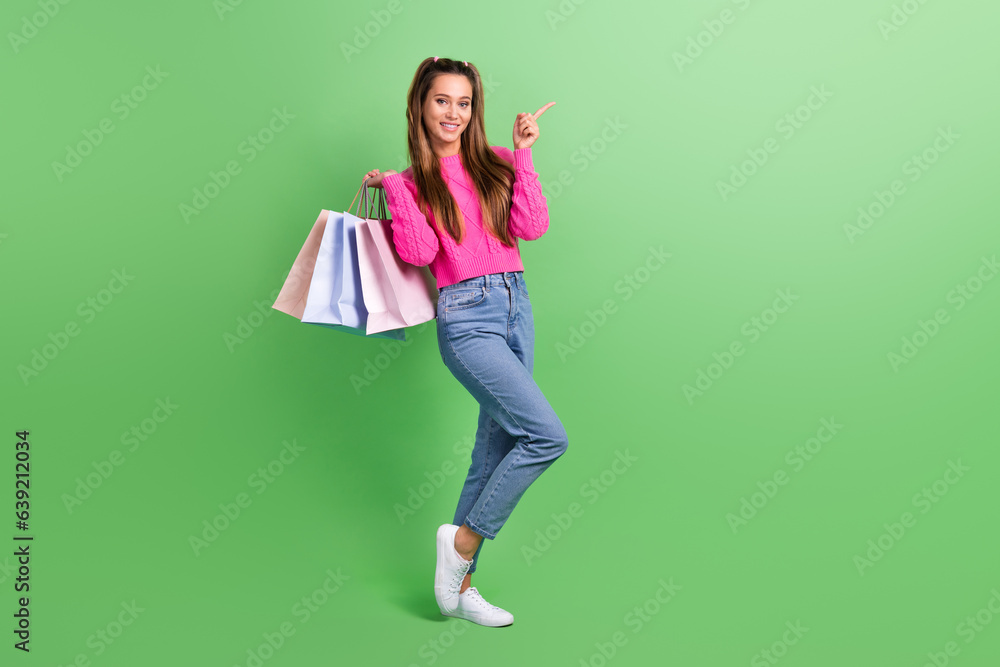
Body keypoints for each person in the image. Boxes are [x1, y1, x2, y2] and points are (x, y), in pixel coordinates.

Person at [363, 57, 567, 628]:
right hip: (466, 316)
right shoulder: (411, 182)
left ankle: (462, 584)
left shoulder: (498, 163)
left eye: (464, 102)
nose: (453, 112)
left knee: (495, 449)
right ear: (420, 107)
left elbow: (532, 226)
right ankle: (463, 544)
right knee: (546, 436)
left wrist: (523, 151)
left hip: (516, 308)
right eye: (441, 100)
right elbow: (422, 254)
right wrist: (396, 190)